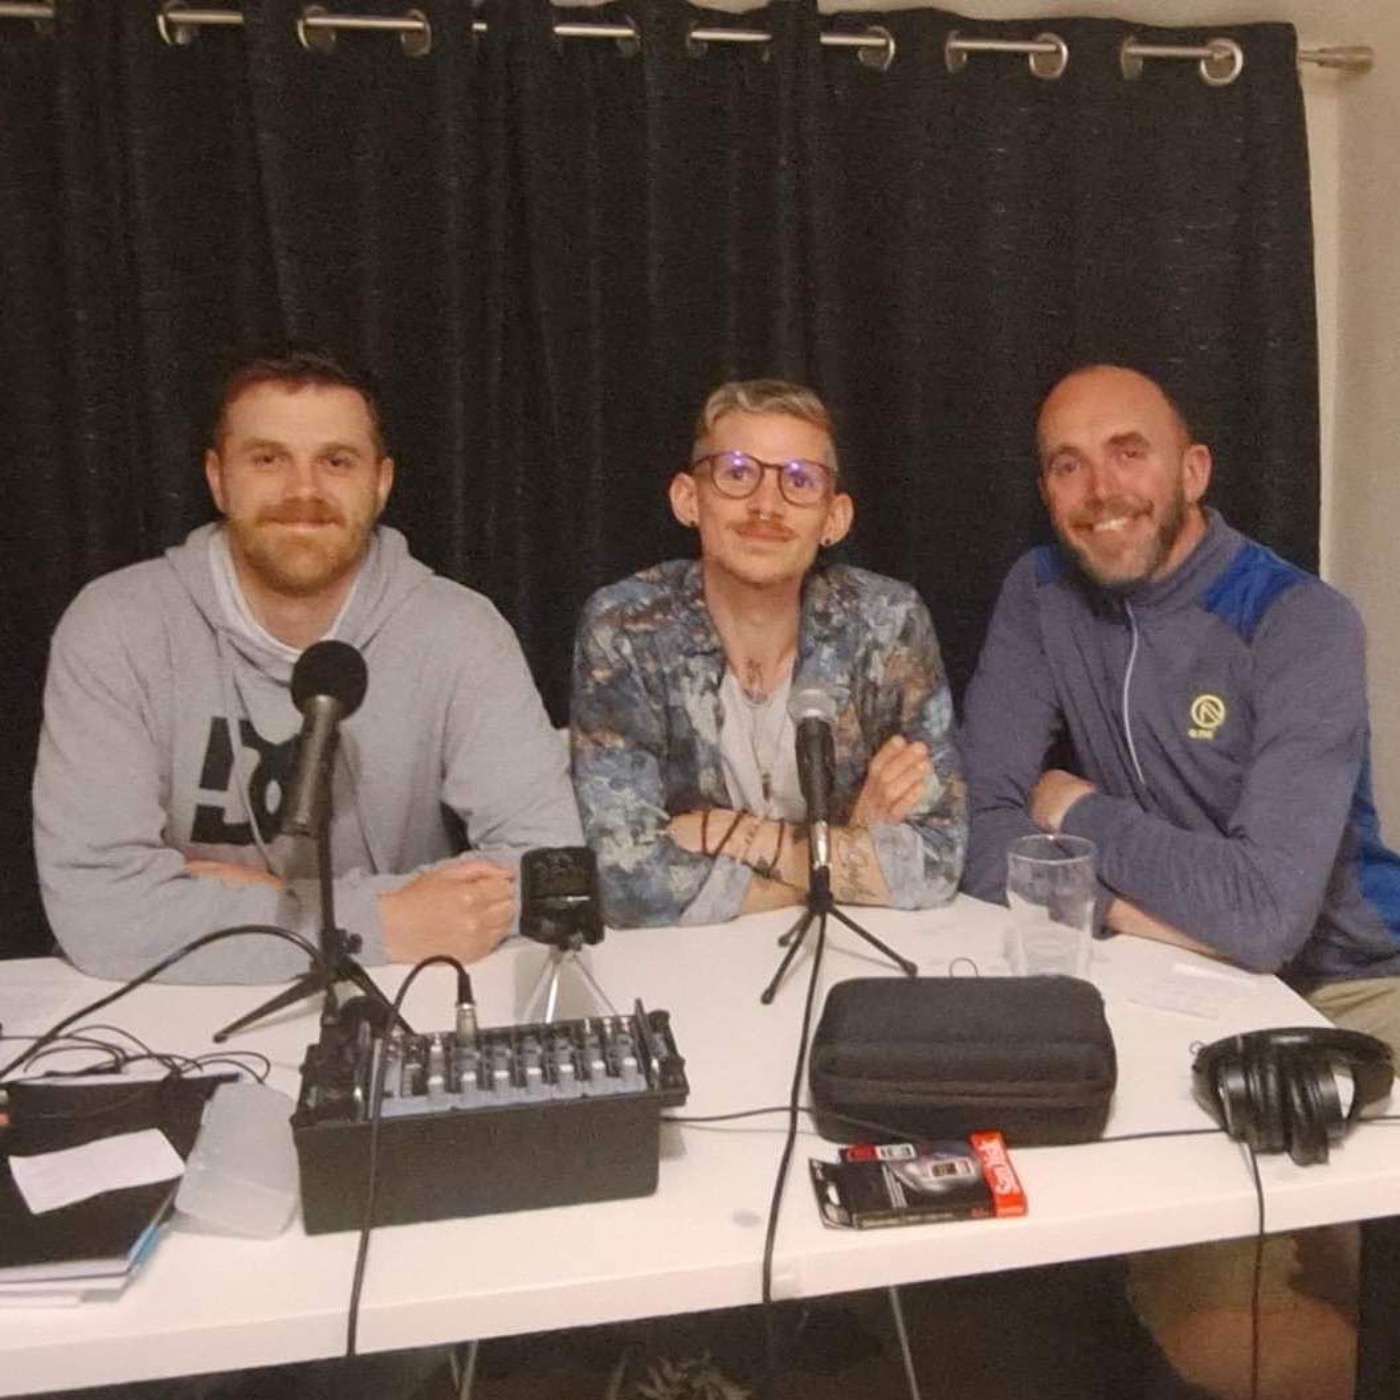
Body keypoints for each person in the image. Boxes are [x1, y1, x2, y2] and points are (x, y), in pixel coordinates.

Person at [33, 348, 581, 984]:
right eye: (268, 459)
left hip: (400, 997)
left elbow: (551, 869)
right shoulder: (116, 626)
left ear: (381, 483)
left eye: (336, 461)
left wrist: (266, 903)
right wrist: (378, 920)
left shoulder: (461, 630)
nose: (303, 492)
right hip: (174, 1005)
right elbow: (99, 911)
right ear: (218, 479)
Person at [961, 363, 1400, 1050]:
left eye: (1128, 453)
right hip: (1160, 964)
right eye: (1068, 466)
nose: (1100, 490)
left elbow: (1265, 917)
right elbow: (974, 829)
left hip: (1347, 986)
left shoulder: (1300, 620)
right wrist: (1126, 915)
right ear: (1046, 491)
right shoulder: (1040, 592)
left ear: (1194, 473)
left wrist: (1073, 809)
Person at [571, 378, 964, 927]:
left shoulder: (888, 622)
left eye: (800, 481)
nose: (766, 505)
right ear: (688, 499)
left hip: (851, 948)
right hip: (684, 961)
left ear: (835, 518)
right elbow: (623, 880)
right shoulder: (625, 628)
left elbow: (938, 861)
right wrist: (845, 849)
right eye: (737, 473)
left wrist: (728, 835)